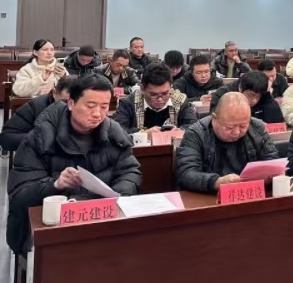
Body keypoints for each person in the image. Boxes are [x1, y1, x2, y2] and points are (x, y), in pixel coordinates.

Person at [6, 73, 141, 254]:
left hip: (102, 220)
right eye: (90, 106)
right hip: (56, 228)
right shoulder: (42, 136)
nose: (97, 114)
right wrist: (55, 185)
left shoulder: (113, 132)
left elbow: (130, 171)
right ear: (70, 103)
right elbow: (20, 195)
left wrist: (119, 197)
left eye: (104, 107)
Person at [176, 92, 279, 194]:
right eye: (230, 127)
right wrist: (216, 182)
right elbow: (186, 173)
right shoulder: (195, 133)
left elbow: (272, 160)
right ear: (214, 118)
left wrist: (269, 175)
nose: (236, 132)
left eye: (243, 126)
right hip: (209, 196)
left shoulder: (257, 127)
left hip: (250, 193)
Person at [113, 63, 197, 133]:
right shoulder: (128, 103)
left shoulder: (180, 100)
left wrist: (180, 131)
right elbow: (117, 132)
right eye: (153, 94)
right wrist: (143, 134)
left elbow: (193, 126)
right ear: (142, 89)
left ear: (171, 86)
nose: (160, 99)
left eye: (165, 93)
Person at [1, 75, 77, 151]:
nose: (70, 108)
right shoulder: (37, 106)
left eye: (77, 103)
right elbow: (6, 138)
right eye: (65, 102)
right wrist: (40, 139)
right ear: (54, 93)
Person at [211, 71, 284, 124]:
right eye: (250, 95)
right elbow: (217, 122)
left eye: (258, 96)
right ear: (240, 88)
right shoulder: (222, 94)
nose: (254, 100)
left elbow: (278, 122)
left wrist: (268, 97)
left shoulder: (264, 95)